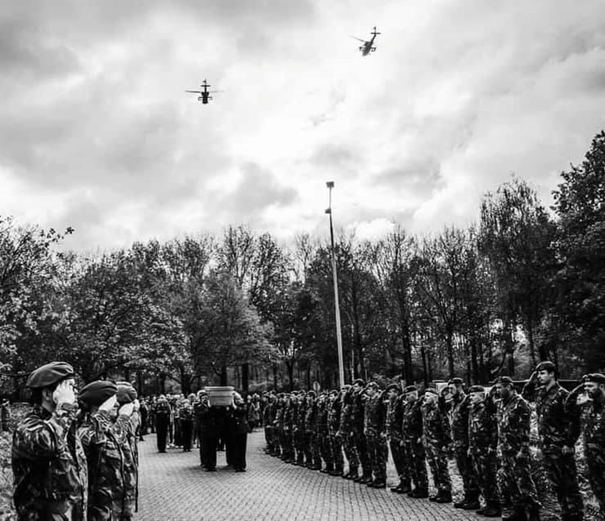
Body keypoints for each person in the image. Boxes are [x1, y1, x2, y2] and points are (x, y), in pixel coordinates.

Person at [11, 361, 87, 520]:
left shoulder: (65, 423)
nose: (74, 393)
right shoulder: (28, 427)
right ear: (47, 394)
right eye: (69, 387)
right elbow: (47, 444)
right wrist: (64, 407)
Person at [522, 361, 583, 521]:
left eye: (542, 373)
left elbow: (575, 422)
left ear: (552, 374)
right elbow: (525, 394)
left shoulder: (563, 395)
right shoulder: (541, 393)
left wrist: (569, 444)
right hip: (547, 447)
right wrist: (532, 378)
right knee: (556, 484)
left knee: (569, 483)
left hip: (561, 447)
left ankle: (576, 515)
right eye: (538, 374)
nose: (539, 376)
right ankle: (566, 513)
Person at [78, 380, 135, 521]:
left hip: (118, 506)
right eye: (113, 401)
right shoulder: (84, 430)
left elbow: (118, 437)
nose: (117, 404)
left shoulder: (108, 428)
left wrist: (124, 418)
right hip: (100, 509)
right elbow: (94, 439)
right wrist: (104, 412)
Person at [495, 376, 541, 521]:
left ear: (508, 386)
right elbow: (501, 427)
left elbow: (526, 428)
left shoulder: (520, 403)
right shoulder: (502, 403)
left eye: (499, 387)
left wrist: (524, 448)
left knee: (524, 482)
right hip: (505, 449)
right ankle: (519, 511)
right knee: (511, 482)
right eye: (496, 388)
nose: (497, 390)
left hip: (518, 450)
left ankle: (534, 512)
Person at [567, 373, 605, 516]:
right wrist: (580, 387)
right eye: (585, 386)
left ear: (601, 386)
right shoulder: (589, 405)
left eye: (590, 386)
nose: (586, 389)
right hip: (593, 458)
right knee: (599, 491)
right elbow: (568, 406)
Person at [446, 378, 480, 510]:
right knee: (463, 471)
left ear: (459, 387)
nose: (449, 391)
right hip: (457, 443)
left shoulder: (466, 402)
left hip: (466, 443)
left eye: (452, 388)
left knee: (469, 471)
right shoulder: (454, 402)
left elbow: (470, 423)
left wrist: (470, 444)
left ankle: (473, 498)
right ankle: (468, 496)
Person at [468, 385, 501, 517]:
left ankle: (495, 505)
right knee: (480, 477)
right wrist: (470, 447)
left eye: (474, 395)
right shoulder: (473, 410)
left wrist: (492, 446)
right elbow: (470, 430)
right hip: (476, 449)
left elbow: (494, 429)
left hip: (486, 450)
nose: (471, 397)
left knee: (489, 478)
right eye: (470, 395)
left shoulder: (486, 410)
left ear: (481, 396)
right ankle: (487, 503)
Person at [421, 387, 452, 503]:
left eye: (428, 396)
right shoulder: (424, 409)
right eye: (425, 395)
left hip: (438, 443)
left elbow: (446, 427)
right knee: (433, 468)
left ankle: (446, 492)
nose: (425, 397)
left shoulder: (439, 409)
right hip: (428, 443)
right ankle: (439, 489)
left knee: (441, 468)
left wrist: (446, 443)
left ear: (434, 397)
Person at [402, 385, 429, 498]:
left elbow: (423, 422)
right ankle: (416, 486)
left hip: (416, 439)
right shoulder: (408, 406)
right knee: (411, 464)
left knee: (419, 463)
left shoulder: (419, 405)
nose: (407, 397)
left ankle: (423, 487)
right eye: (406, 395)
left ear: (414, 394)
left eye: (409, 395)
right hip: (408, 438)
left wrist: (421, 435)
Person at [384, 383, 410, 494]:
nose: (390, 394)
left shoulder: (401, 405)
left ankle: (407, 483)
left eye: (393, 392)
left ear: (397, 393)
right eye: (389, 392)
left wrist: (403, 438)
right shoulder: (390, 404)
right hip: (393, 437)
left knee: (403, 461)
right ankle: (401, 481)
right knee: (397, 461)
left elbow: (404, 423)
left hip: (400, 437)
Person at [362, 382, 387, 488]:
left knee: (379, 455)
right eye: (367, 389)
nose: (368, 391)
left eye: (370, 389)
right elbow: (366, 415)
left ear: (375, 390)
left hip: (378, 431)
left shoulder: (380, 400)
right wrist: (365, 427)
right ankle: (376, 476)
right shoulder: (368, 400)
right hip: (370, 431)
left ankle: (382, 478)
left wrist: (383, 430)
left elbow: (384, 416)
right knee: (372, 455)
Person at [230, 391, 249, 472]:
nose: (237, 400)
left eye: (238, 399)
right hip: (234, 429)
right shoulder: (231, 406)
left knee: (242, 448)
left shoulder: (243, 405)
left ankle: (242, 465)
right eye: (235, 399)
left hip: (242, 429)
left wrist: (234, 405)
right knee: (235, 448)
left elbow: (242, 411)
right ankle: (236, 465)